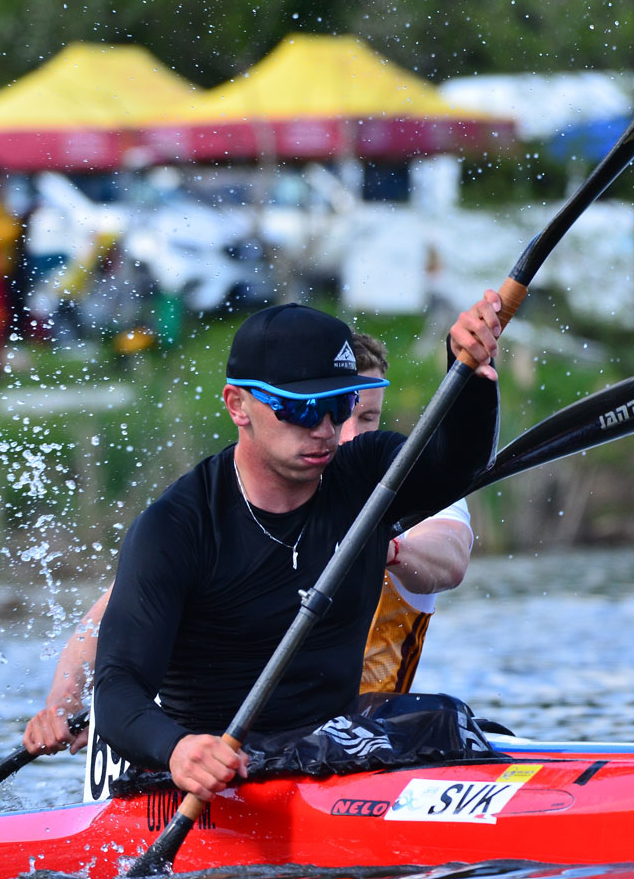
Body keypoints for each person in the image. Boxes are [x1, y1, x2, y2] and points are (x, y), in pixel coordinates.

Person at [53, 298, 500, 802]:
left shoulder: (364, 475)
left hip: (332, 742)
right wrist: (178, 750)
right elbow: (116, 692)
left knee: (444, 717)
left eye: (338, 406)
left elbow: (455, 467)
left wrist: (469, 376)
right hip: (223, 765)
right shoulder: (177, 527)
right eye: (301, 408)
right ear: (237, 405)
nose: (326, 429)